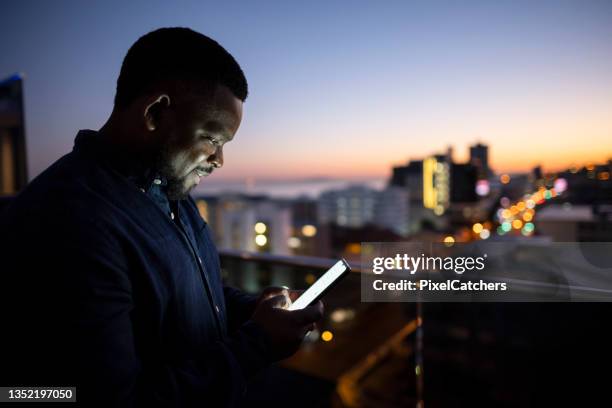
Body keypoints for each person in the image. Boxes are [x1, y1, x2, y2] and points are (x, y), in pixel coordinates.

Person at [0, 27, 323, 407]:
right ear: (154, 113)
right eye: (212, 139)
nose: (219, 161)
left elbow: (184, 294)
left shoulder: (169, 188)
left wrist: (250, 310)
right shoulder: (69, 221)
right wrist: (259, 343)